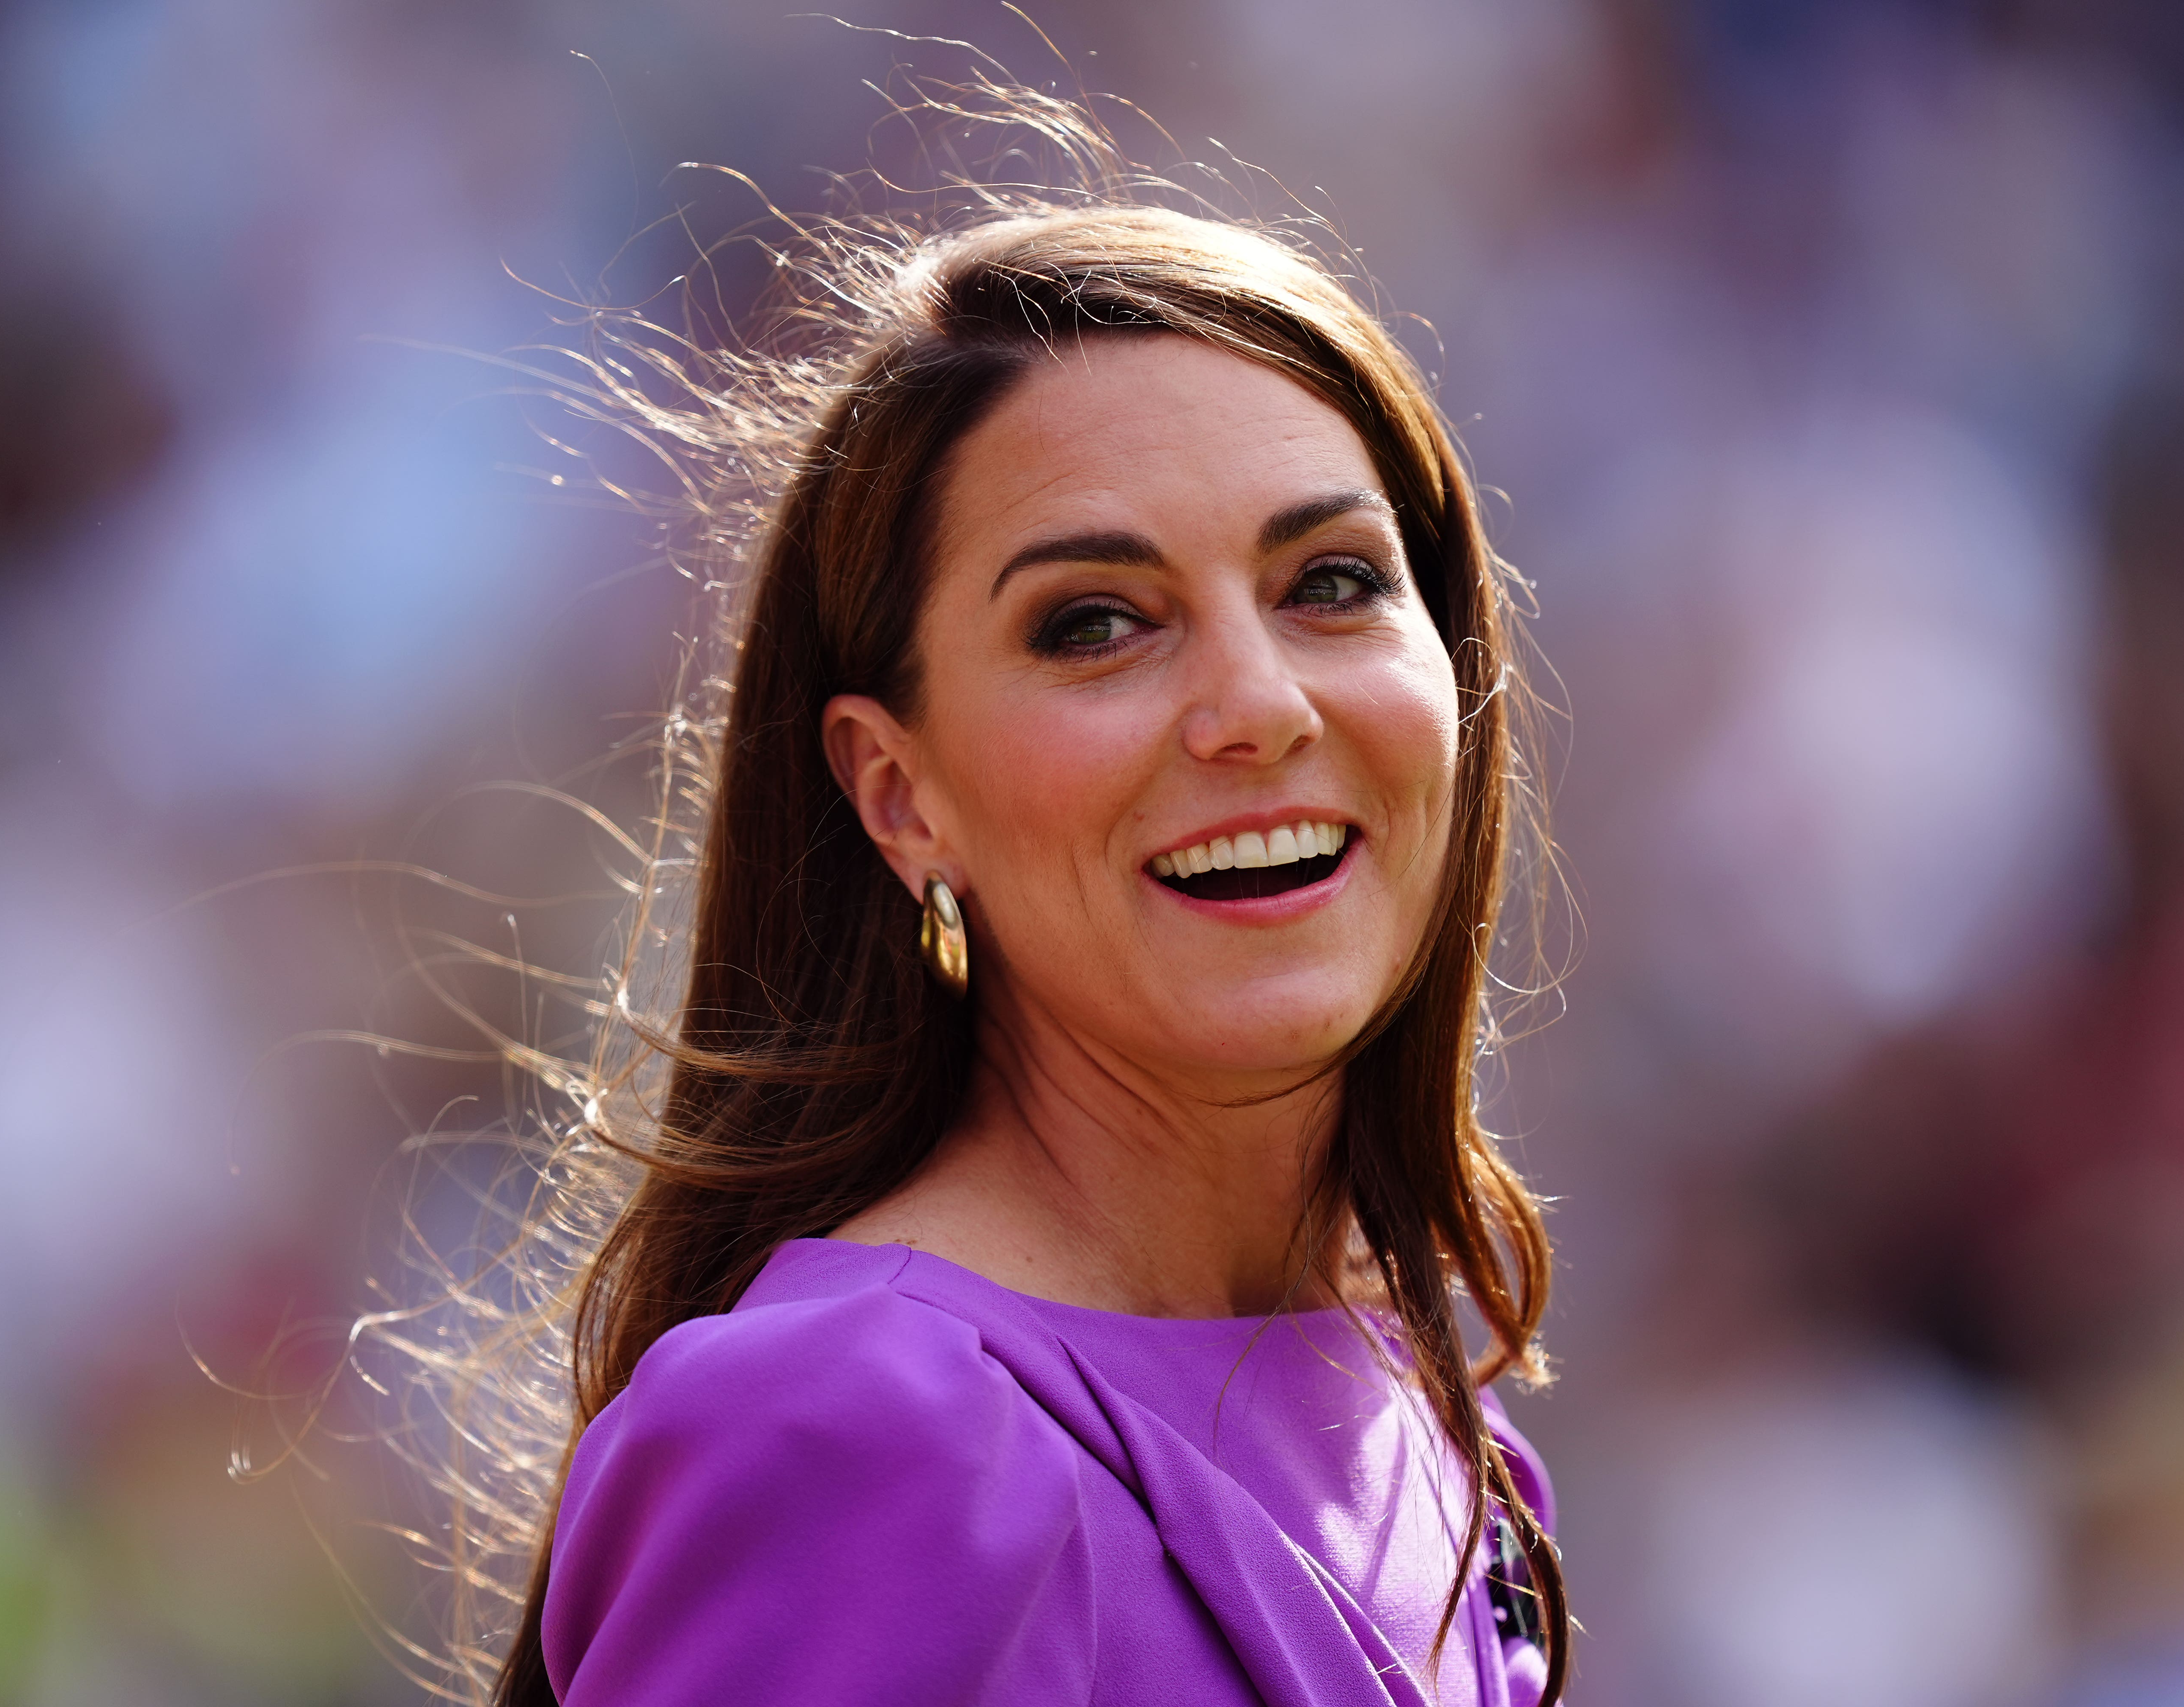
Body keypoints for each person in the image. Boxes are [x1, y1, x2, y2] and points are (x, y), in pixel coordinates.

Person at [475, 129, 1570, 1707]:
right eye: (1097, 623)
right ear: (900, 793)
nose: (1259, 707)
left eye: (1331, 583)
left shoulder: (1422, 1409)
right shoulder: (855, 1432)